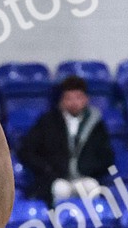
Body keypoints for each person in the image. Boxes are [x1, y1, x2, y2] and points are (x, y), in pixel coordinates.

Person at [18, 75, 115, 206]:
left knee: (92, 187)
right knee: (61, 189)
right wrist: (47, 169)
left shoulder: (96, 124)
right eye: (69, 98)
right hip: (57, 179)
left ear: (86, 99)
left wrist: (90, 169)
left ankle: (92, 225)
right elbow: (26, 151)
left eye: (78, 98)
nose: (74, 102)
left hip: (85, 177)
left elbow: (107, 156)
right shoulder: (48, 122)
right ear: (61, 101)